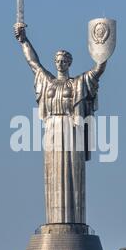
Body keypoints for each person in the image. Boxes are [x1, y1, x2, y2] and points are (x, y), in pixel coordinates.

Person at [14, 23, 107, 224]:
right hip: (52, 127)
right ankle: (54, 222)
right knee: (53, 174)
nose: (60, 63)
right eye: (57, 60)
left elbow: (98, 70)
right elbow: (33, 63)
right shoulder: (47, 81)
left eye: (64, 60)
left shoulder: (78, 83)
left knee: (73, 172)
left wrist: (102, 49)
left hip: (72, 128)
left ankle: (74, 221)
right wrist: (24, 40)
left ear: (69, 63)